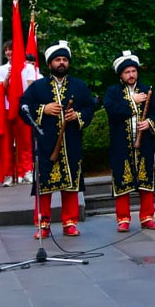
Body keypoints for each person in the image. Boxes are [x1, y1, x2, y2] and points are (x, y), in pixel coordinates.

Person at [20, 41, 95, 238]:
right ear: (49, 63)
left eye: (64, 59)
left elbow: (89, 107)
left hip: (71, 141)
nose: (61, 63)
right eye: (57, 60)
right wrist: (43, 109)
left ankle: (69, 222)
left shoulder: (79, 86)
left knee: (70, 183)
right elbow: (23, 107)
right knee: (45, 184)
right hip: (46, 143)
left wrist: (77, 116)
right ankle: (43, 224)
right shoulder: (38, 87)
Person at [103, 51, 155, 232]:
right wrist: (132, 102)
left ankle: (147, 217)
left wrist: (150, 122)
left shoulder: (147, 90)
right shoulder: (113, 92)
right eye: (127, 72)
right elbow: (112, 111)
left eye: (133, 71)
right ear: (120, 75)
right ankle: (123, 219)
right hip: (121, 145)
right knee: (122, 181)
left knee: (145, 181)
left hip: (144, 144)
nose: (131, 75)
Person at [0, 43, 40, 186]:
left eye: (11, 49)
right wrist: (8, 78)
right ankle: (9, 173)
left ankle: (26, 171)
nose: (9, 52)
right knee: (8, 142)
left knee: (25, 141)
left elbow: (31, 86)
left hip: (22, 107)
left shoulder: (28, 68)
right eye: (6, 50)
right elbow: (0, 89)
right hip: (8, 108)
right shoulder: (2, 69)